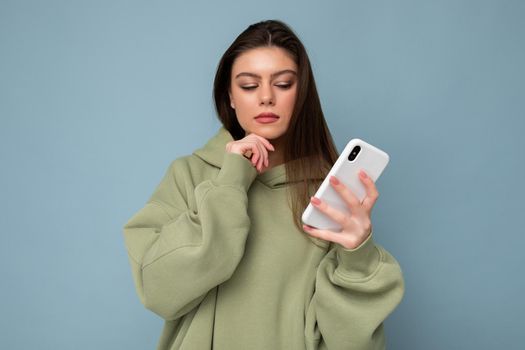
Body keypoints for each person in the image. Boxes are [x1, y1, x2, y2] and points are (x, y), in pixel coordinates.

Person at [122, 19, 404, 350]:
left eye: (283, 84)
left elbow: (349, 341)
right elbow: (160, 291)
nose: (267, 97)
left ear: (301, 95)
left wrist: (358, 256)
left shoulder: (328, 193)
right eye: (249, 85)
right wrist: (230, 182)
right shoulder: (189, 175)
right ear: (229, 96)